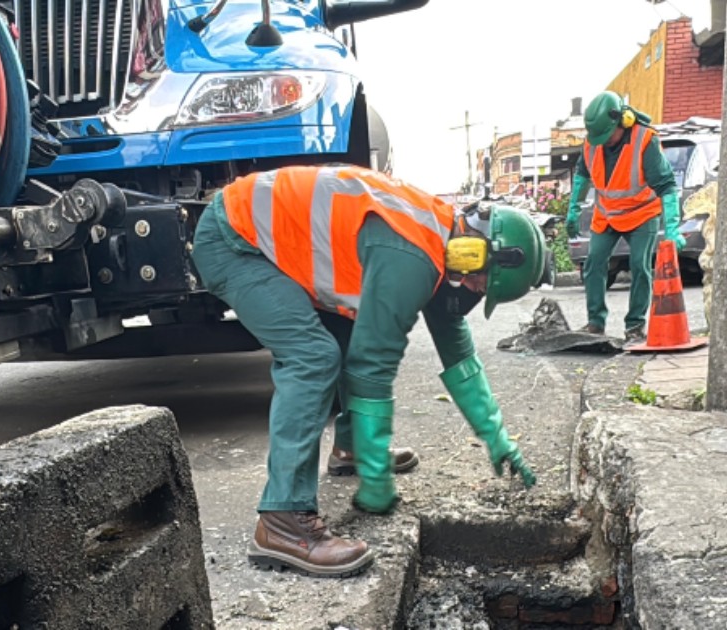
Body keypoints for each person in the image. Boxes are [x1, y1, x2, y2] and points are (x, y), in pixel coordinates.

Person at [190, 164, 541, 577]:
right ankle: (282, 521)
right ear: (478, 251)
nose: (475, 290)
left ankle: (350, 449)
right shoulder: (412, 254)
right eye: (483, 282)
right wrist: (377, 480)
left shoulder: (440, 240)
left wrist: (497, 437)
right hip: (235, 240)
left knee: (347, 333)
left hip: (258, 235)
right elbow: (372, 366)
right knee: (312, 357)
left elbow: (457, 351)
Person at [564, 91, 683, 342]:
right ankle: (595, 323)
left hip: (642, 214)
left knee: (640, 266)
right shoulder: (593, 142)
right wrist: (573, 209)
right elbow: (582, 176)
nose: (603, 142)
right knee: (594, 263)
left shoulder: (645, 140)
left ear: (623, 122)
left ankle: (634, 326)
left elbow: (666, 185)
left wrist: (672, 226)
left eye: (607, 136)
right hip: (607, 214)